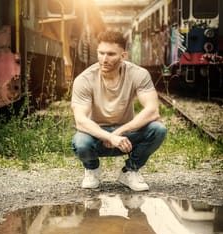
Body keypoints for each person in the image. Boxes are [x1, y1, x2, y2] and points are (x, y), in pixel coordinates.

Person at [71, 30, 167, 191]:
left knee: (158, 129)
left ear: (123, 56)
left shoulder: (139, 74)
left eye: (110, 54)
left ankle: (130, 171)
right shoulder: (84, 79)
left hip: (126, 137)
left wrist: (119, 133)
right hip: (97, 135)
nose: (104, 59)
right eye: (101, 53)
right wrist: (108, 136)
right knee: (81, 142)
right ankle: (92, 169)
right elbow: (80, 120)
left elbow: (152, 111)